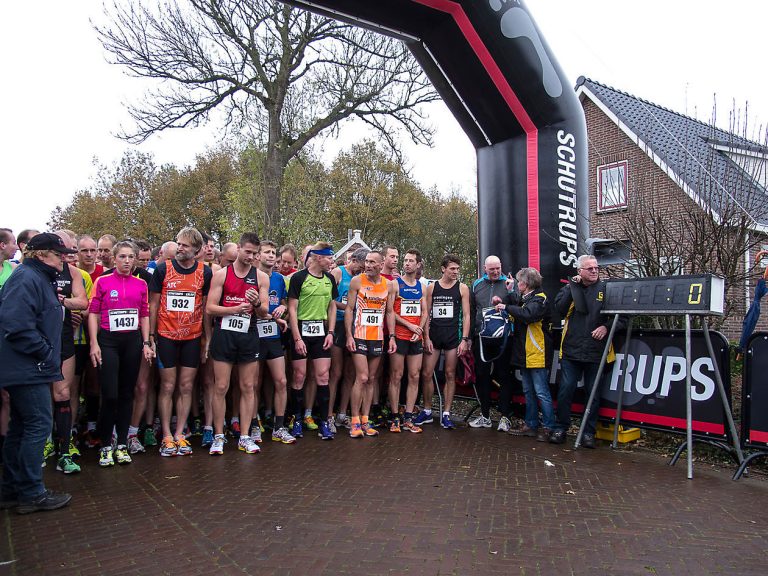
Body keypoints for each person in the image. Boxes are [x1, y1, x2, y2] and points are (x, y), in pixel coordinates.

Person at [0, 233, 76, 514]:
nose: (63, 258)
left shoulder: (35, 278)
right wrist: (46, 353)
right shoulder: (27, 278)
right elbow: (16, 325)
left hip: (26, 367)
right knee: (37, 425)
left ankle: (11, 489)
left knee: (21, 427)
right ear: (42, 254)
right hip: (26, 367)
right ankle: (31, 493)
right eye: (58, 254)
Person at [88, 241, 154, 466]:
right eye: (122, 257)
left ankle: (123, 443)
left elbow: (144, 314)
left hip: (132, 341)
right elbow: (94, 313)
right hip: (108, 341)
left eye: (130, 257)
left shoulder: (141, 284)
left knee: (127, 394)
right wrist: (94, 344)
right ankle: (106, 444)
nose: (127, 261)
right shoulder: (103, 281)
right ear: (115, 258)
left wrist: (146, 342)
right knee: (110, 394)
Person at [149, 227, 213, 457]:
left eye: (185, 245)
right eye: (178, 243)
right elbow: (153, 304)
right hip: (166, 335)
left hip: (192, 337)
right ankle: (166, 434)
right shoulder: (162, 268)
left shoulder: (204, 273)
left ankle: (179, 434)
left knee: (186, 386)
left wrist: (207, 338)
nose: (180, 248)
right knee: (167, 385)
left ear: (196, 250)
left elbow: (205, 308)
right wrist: (151, 336)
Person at [205, 232, 269, 455]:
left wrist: (258, 302)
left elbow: (263, 313)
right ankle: (219, 435)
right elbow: (210, 308)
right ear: (239, 249)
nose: (250, 256)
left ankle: (244, 436)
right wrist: (233, 309)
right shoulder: (222, 274)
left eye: (254, 253)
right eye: (247, 252)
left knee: (247, 386)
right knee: (221, 386)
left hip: (248, 335)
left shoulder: (261, 277)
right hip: (225, 334)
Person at [551, 255, 619, 448]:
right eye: (589, 268)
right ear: (579, 271)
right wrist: (572, 288)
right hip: (571, 351)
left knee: (593, 394)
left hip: (596, 352)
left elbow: (622, 317)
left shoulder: (607, 290)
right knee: (565, 390)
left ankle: (588, 432)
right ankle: (560, 428)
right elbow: (560, 309)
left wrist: (606, 327)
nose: (594, 271)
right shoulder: (570, 288)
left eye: (596, 268)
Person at [287, 242, 338, 440]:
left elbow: (332, 306)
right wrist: (297, 337)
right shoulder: (299, 278)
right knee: (299, 376)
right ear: (317, 257)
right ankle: (297, 419)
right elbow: (292, 308)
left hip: (321, 331)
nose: (331, 261)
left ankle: (324, 422)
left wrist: (331, 332)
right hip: (301, 329)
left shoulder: (330, 279)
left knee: (323, 376)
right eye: (328, 258)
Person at [345, 250, 397, 438]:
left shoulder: (389, 285)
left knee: (372, 378)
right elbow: (350, 309)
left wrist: (391, 336)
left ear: (381, 264)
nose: (368, 265)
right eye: (366, 261)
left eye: (372, 262)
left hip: (377, 337)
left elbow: (390, 312)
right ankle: (354, 421)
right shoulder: (357, 281)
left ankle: (366, 420)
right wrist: (349, 336)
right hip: (359, 334)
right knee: (363, 377)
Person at [415, 254, 471, 429]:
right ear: (443, 269)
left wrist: (464, 339)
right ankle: (427, 410)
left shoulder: (462, 288)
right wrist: (426, 337)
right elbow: (426, 313)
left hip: (453, 337)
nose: (455, 272)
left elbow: (467, 315)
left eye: (457, 269)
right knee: (426, 373)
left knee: (450, 374)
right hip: (434, 336)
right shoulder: (432, 287)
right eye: (452, 268)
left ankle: (446, 413)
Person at [48, 231, 89, 474]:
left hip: (64, 338)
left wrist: (61, 302)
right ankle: (45, 442)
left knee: (64, 392)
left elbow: (82, 302)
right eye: (63, 253)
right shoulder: (29, 272)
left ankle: (64, 449)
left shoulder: (72, 273)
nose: (67, 258)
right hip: (37, 340)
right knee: (42, 394)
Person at [500, 267, 554, 442]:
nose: (518, 284)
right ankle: (531, 424)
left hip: (537, 352)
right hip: (525, 353)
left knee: (541, 392)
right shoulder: (525, 298)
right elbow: (516, 305)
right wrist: (508, 294)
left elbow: (527, 315)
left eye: (520, 281)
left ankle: (548, 426)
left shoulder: (540, 299)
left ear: (527, 283)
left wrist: (507, 307)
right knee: (528, 391)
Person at [468, 255, 514, 431]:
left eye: (498, 268)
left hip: (503, 337)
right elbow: (472, 312)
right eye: (491, 269)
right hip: (482, 337)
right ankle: (485, 415)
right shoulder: (477, 285)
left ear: (501, 266)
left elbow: (517, 304)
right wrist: (469, 337)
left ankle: (505, 417)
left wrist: (510, 292)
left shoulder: (509, 283)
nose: (495, 272)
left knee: (504, 376)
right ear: (484, 269)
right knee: (482, 375)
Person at [256, 240, 295, 444]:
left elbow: (284, 303)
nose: (271, 256)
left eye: (273, 253)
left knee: (281, 381)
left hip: (273, 336)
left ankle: (278, 427)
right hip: (253, 335)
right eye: (267, 252)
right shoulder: (251, 275)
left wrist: (283, 309)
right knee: (253, 383)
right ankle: (253, 424)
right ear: (258, 256)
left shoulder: (280, 279)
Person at [388, 249, 428, 433]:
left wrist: (419, 329)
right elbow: (390, 312)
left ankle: (409, 416)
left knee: (415, 376)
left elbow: (424, 311)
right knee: (396, 376)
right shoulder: (395, 284)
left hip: (415, 338)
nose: (407, 263)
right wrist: (408, 327)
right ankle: (395, 416)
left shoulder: (422, 286)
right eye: (405, 260)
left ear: (418, 264)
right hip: (400, 336)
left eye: (411, 261)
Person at [330, 248, 366, 430]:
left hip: (355, 326)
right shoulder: (338, 272)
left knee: (350, 373)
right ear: (354, 260)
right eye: (362, 264)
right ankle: (328, 415)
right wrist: (348, 306)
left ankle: (342, 413)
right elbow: (329, 299)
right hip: (337, 324)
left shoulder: (361, 278)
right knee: (336, 373)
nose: (364, 268)